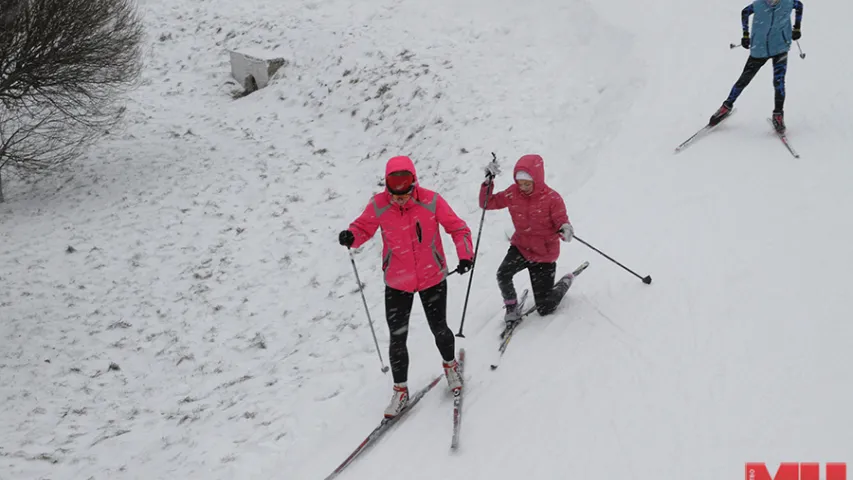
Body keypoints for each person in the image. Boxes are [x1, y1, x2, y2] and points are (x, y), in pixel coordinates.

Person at [338, 155, 474, 418]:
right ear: (387, 188)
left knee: (440, 328)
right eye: (394, 194)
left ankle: (450, 365)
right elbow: (362, 228)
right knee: (397, 338)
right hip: (397, 281)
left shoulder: (431, 201)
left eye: (405, 193)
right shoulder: (379, 205)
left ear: (414, 184)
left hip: (432, 276)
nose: (400, 199)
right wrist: (351, 236)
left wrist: (465, 254)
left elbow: (458, 228)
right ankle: (400, 391)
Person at [478, 154, 578, 327]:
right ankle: (511, 308)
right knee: (503, 274)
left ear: (537, 179)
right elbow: (487, 203)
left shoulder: (552, 199)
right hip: (521, 247)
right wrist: (488, 183)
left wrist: (565, 228)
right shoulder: (512, 193)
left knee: (545, 308)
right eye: (520, 183)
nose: (523, 187)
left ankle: (563, 284)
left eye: (527, 183)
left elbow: (561, 219)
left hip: (544, 255)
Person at [709, 0, 805, 133]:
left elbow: (799, 6)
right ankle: (726, 106)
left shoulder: (788, 2)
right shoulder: (759, 5)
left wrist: (797, 27)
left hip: (780, 48)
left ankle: (778, 115)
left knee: (779, 82)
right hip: (759, 49)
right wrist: (745, 35)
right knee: (744, 79)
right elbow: (745, 13)